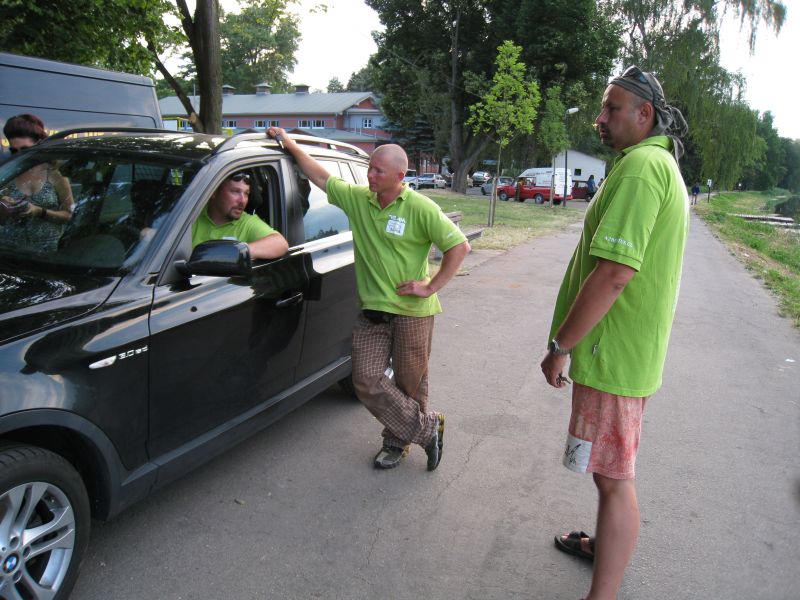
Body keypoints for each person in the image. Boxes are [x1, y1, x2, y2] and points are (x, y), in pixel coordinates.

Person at [540, 66, 689, 600]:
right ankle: (602, 546)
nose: (600, 119)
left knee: (613, 479)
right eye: (602, 108)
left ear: (645, 114)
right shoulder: (651, 164)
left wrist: (560, 347)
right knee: (608, 468)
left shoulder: (642, 170)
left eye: (612, 108)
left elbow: (614, 274)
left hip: (612, 354)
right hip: (623, 352)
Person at [266, 127, 470, 471]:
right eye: (370, 168)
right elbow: (320, 176)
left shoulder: (420, 207)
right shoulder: (359, 199)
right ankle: (427, 428)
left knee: (410, 383)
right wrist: (290, 143)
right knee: (365, 379)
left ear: (400, 176)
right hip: (372, 311)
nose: (370, 175)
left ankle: (396, 442)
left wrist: (430, 287)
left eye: (378, 171)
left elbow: (459, 247)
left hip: (412, 312)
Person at [1, 114, 73, 251]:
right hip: (10, 249)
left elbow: (68, 215)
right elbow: (2, 219)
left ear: (38, 145)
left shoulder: (55, 174)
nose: (20, 155)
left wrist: (39, 212)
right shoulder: (11, 172)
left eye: (25, 150)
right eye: (14, 151)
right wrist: (4, 206)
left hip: (44, 253)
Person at [192, 171, 288, 260]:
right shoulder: (193, 215)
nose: (242, 200)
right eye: (235, 191)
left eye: (246, 193)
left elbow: (280, 243)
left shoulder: (247, 222)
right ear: (214, 192)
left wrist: (235, 252)